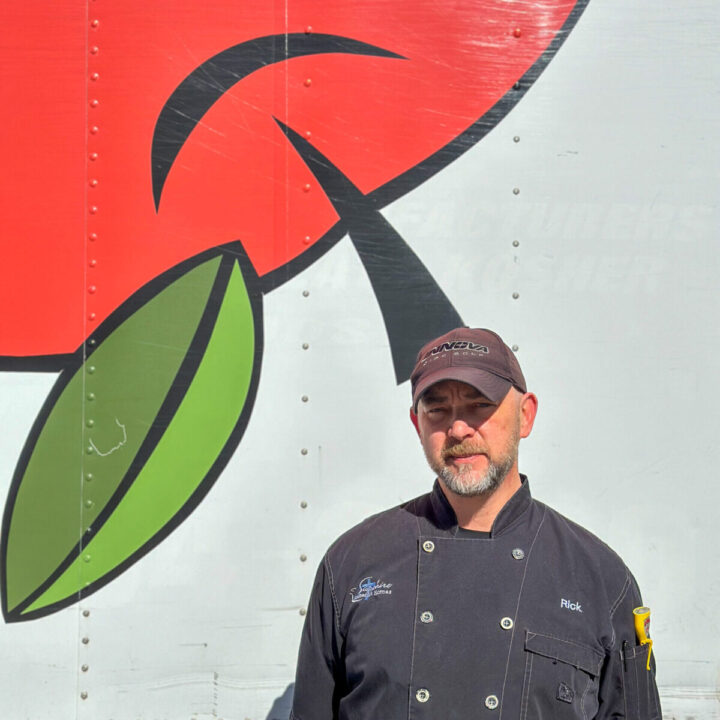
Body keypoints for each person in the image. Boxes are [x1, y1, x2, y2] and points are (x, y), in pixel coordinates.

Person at [291, 327, 661, 720]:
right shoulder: (352, 564)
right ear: (417, 425)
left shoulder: (600, 579)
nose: (458, 429)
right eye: (437, 410)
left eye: (479, 405)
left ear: (525, 415)